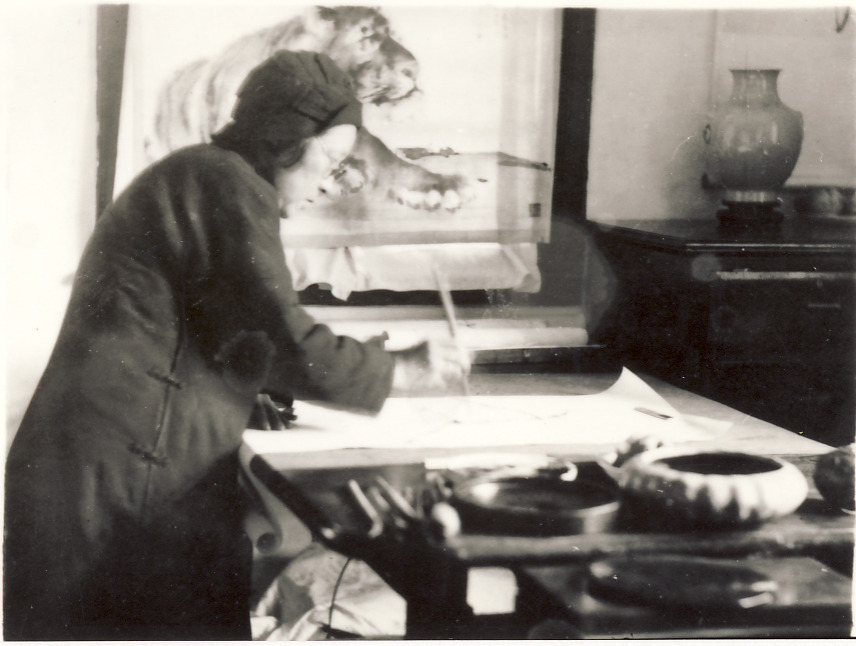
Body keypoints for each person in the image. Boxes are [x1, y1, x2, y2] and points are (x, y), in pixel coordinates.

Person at [4, 50, 469, 641]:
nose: (329, 183)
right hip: (121, 488)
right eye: (329, 161)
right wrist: (404, 369)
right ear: (286, 142)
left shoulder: (202, 174)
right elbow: (280, 335)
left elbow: (210, 324)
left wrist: (242, 388)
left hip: (103, 471)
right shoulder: (226, 183)